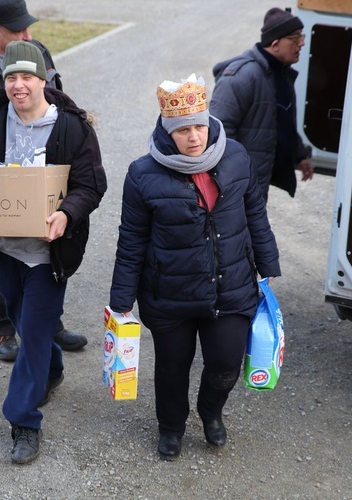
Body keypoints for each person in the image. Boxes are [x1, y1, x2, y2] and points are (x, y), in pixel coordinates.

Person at [109, 74, 280, 460]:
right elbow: (132, 238)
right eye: (183, 130)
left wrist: (268, 263)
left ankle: (211, 412)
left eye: (199, 126)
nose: (194, 137)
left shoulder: (236, 156)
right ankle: (170, 427)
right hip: (168, 291)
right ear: (169, 132)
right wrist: (121, 298)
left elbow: (255, 212)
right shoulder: (142, 174)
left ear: (209, 122)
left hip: (231, 285)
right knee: (172, 366)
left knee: (225, 361)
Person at [0, 41, 107, 464]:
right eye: (11, 77)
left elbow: (91, 185)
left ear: (43, 80)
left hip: (47, 257)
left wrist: (66, 213)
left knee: (35, 333)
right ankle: (53, 367)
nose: (18, 85)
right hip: (5, 250)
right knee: (28, 324)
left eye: (27, 77)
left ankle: (23, 419)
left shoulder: (71, 128)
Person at [0, 0, 88, 361]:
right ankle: (4, 327)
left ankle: (48, 325)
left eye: (27, 26)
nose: (28, 34)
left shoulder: (38, 52)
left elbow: (57, 99)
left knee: (48, 251)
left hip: (44, 179)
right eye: (18, 30)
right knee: (2, 253)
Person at [210, 6, 314, 202]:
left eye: (302, 37)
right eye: (294, 38)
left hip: (255, 184)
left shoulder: (280, 73)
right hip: (235, 186)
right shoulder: (242, 77)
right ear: (275, 44)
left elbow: (281, 121)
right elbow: (218, 130)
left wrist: (299, 155)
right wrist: (233, 177)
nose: (301, 43)